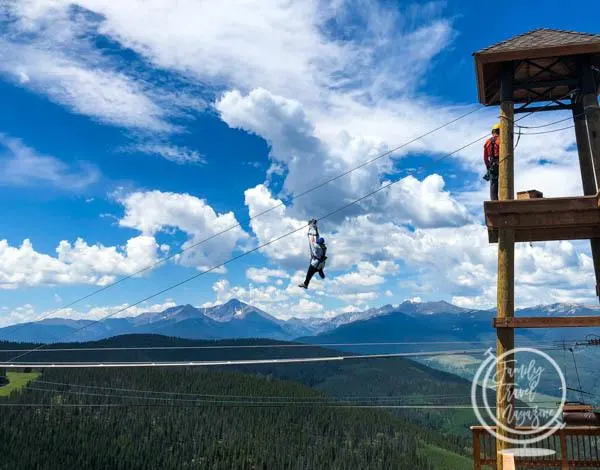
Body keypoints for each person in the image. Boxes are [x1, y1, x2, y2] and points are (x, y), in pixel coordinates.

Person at [483, 123, 500, 201]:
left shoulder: (487, 142)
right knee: (505, 181)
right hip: (501, 163)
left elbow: (485, 158)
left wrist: (488, 167)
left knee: (493, 184)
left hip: (492, 165)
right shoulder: (502, 140)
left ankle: (494, 200)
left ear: (493, 131)